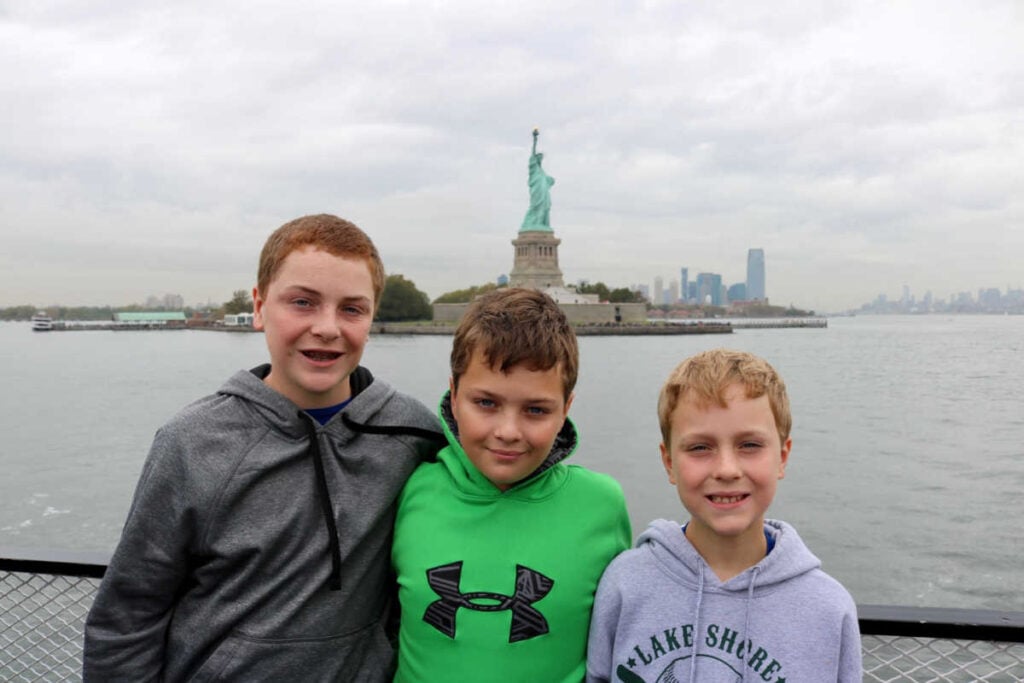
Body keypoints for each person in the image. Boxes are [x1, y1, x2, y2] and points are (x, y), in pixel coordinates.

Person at [83, 214, 444, 682]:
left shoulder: (414, 435)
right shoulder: (191, 443)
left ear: (372, 316)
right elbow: (128, 616)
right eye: (302, 302)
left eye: (352, 309)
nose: (328, 327)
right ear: (259, 306)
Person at [391, 287, 632, 682]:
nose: (508, 431)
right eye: (485, 403)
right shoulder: (410, 488)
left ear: (566, 409)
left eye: (536, 410)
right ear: (454, 396)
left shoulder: (602, 506)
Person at [586, 349, 862, 683]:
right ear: (669, 462)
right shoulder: (625, 583)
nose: (727, 469)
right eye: (700, 447)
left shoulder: (829, 608)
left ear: (783, 457)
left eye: (749, 445)